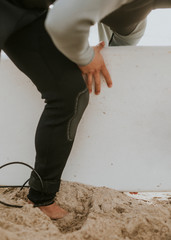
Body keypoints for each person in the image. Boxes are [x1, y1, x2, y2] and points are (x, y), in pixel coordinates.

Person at [1, 0, 171, 220]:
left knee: (70, 93)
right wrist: (85, 57)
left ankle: (41, 196)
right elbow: (63, 21)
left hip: (31, 10)